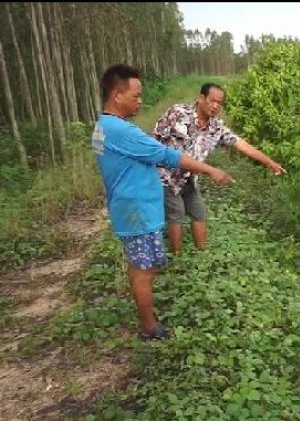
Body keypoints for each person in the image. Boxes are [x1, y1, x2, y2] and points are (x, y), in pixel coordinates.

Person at [91, 64, 235, 340]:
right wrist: (211, 170)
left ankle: (146, 315)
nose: (140, 101)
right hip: (137, 210)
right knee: (146, 269)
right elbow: (169, 156)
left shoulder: (103, 126)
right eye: (135, 96)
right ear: (116, 95)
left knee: (141, 265)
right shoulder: (122, 131)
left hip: (129, 206)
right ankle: (150, 327)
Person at [153, 82, 285, 254]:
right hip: (166, 176)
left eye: (219, 103)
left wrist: (269, 162)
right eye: (211, 100)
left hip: (189, 178)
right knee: (176, 213)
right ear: (201, 98)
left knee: (199, 212)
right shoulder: (178, 113)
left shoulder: (216, 127)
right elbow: (154, 137)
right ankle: (178, 259)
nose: (215, 106)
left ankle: (203, 256)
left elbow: (241, 144)